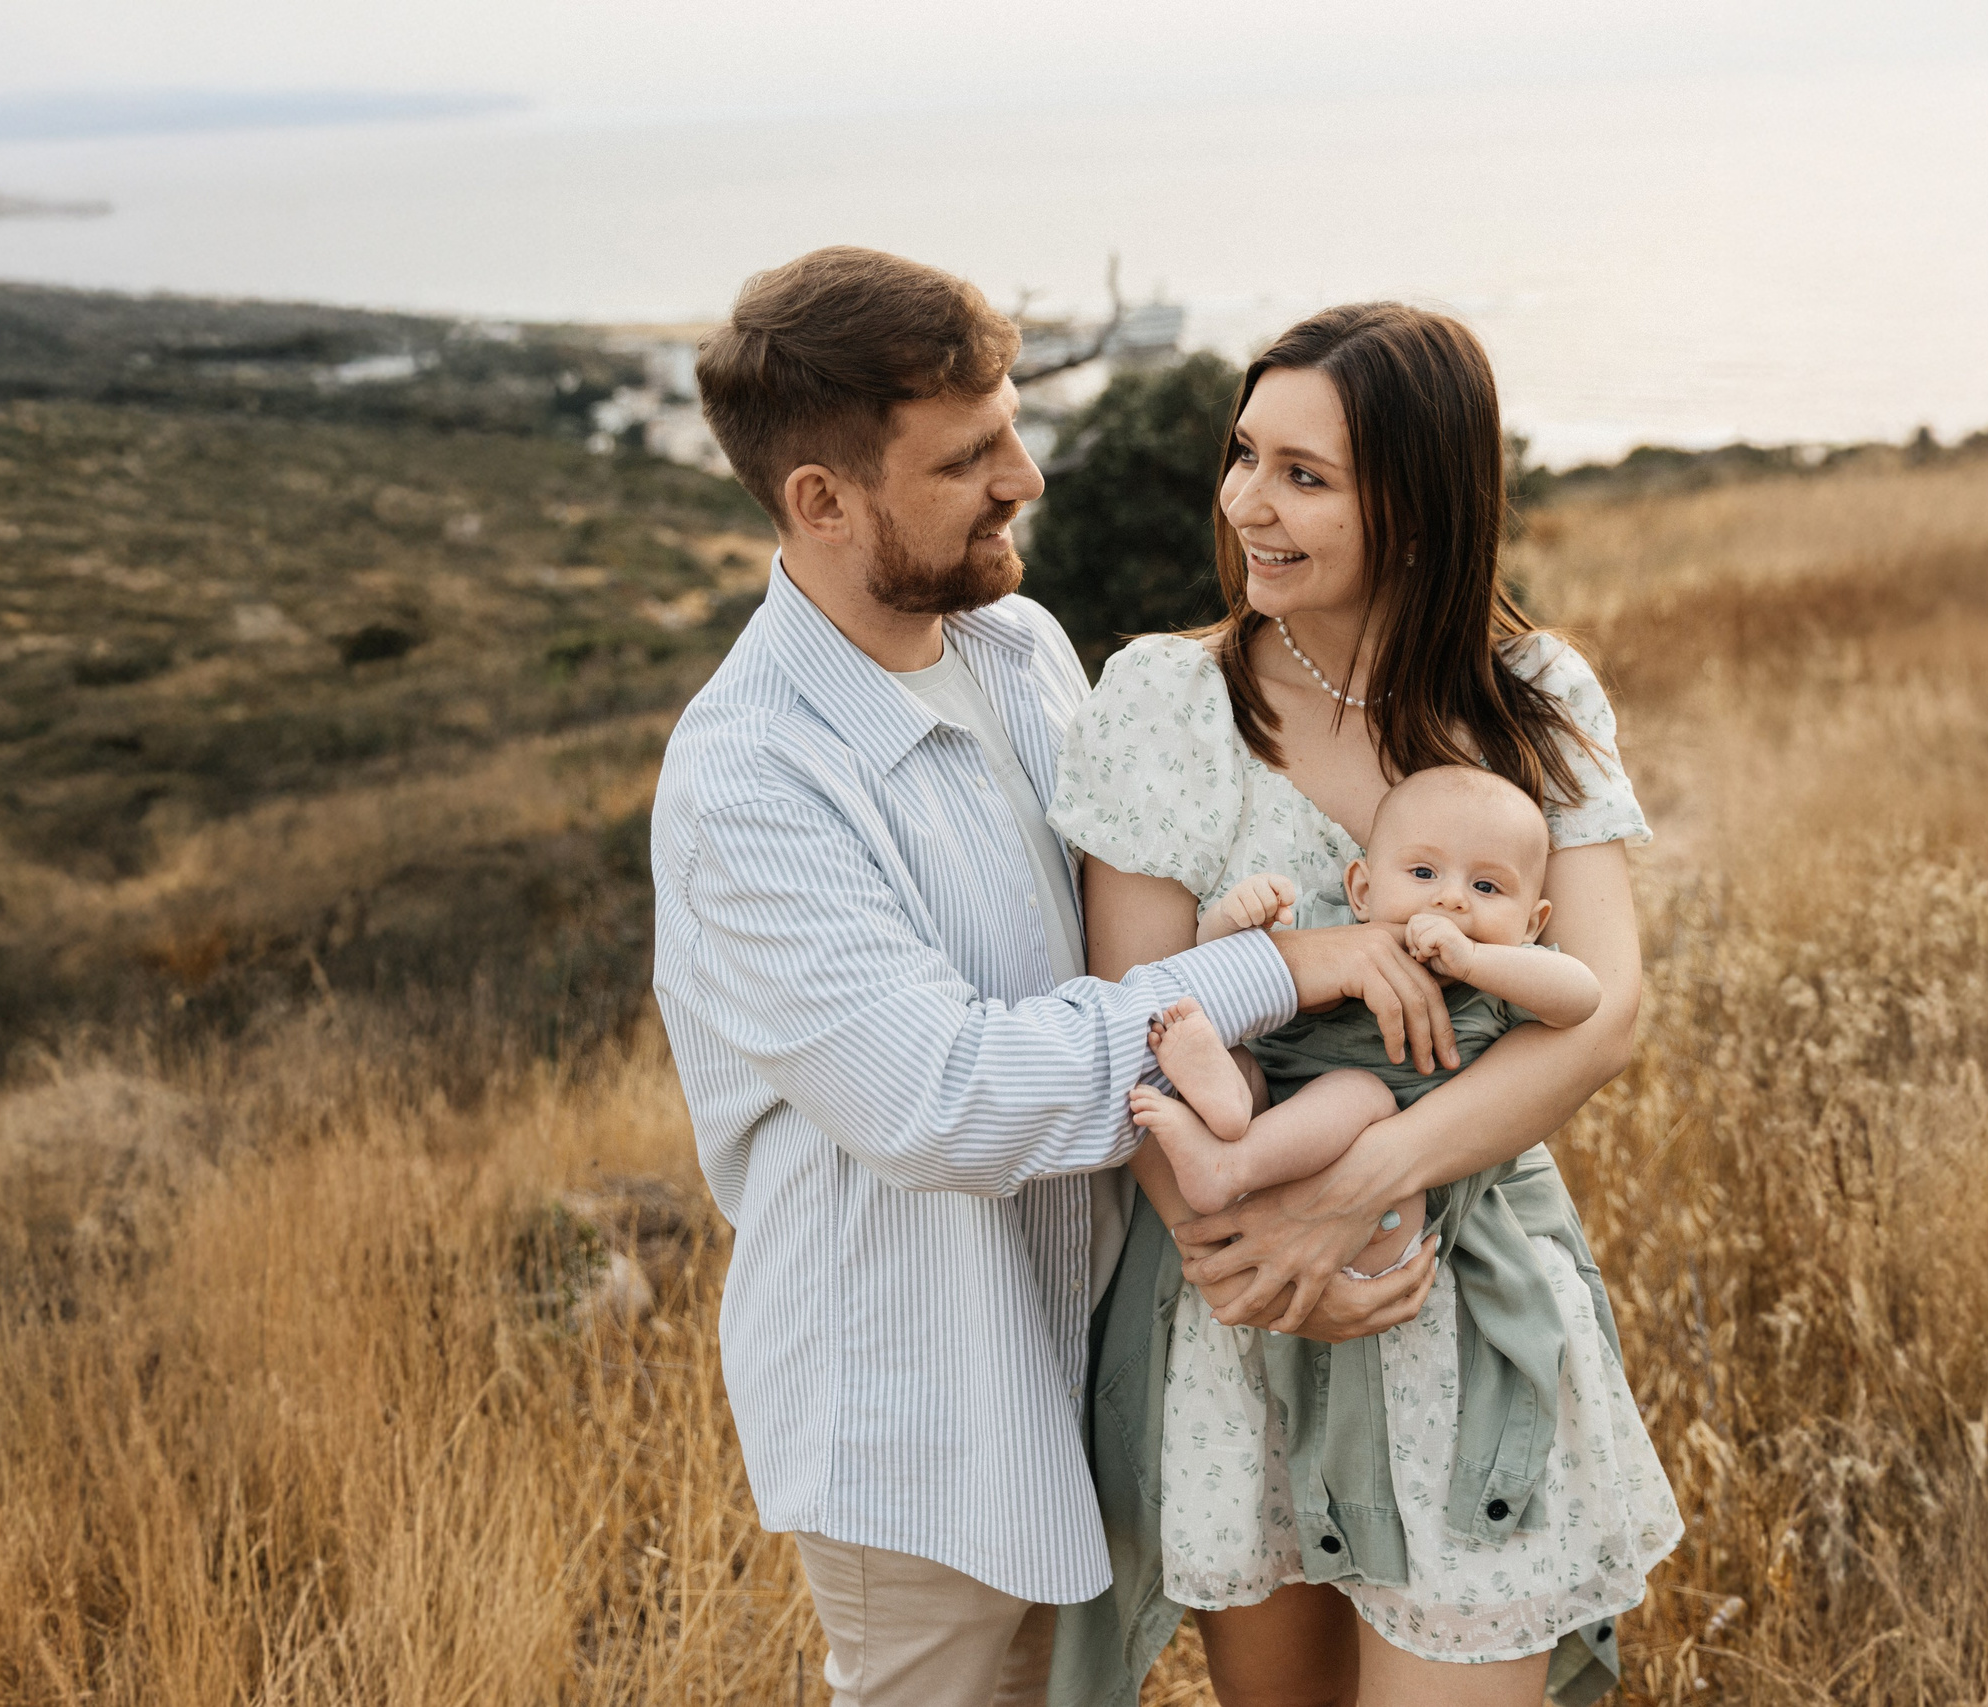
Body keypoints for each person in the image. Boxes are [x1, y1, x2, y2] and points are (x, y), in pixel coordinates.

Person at [650, 248, 1457, 1707]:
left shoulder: (1017, 644)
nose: (1024, 473)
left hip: (1085, 1340)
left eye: (1011, 426)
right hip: (927, 1407)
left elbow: (1117, 957)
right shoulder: (751, 776)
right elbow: (947, 1096)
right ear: (821, 501)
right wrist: (1278, 964)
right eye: (966, 457)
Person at [1047, 303, 1682, 1707]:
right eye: (1242, 454)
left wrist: (1368, 1189)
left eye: (1304, 475)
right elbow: (1131, 1021)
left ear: (1416, 502)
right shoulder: (1166, 700)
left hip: (1456, 1291)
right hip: (1241, 1311)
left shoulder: (1533, 697)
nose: (1245, 503)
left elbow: (1604, 1006)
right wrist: (1253, 1247)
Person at [1130, 765, 1607, 1283]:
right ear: (1361, 890)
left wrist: (1474, 960)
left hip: (1384, 1208)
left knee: (1362, 1094)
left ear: (1531, 924)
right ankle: (1226, 1123)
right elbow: (1221, 972)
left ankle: (1227, 1166)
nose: (1451, 899)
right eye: (1423, 874)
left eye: (1487, 886)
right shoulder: (1331, 930)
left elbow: (1583, 998)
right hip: (1269, 1126)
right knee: (1233, 1051)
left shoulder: (1502, 981)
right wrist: (1230, 920)